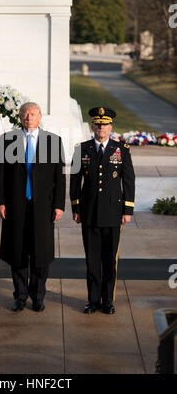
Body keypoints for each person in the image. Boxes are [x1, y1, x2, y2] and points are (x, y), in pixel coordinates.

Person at [0, 102, 66, 312]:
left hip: (42, 208)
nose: (28, 117)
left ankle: (38, 296)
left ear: (40, 116)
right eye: (25, 114)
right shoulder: (7, 140)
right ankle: (20, 295)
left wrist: (59, 205)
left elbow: (59, 177)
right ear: (19, 116)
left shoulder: (53, 141)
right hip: (15, 206)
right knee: (17, 252)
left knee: (40, 254)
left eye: (32, 114)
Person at [70, 107, 135, 315]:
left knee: (109, 259)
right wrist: (76, 208)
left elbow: (129, 181)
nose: (101, 128)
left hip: (113, 212)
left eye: (105, 124)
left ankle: (107, 300)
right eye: (98, 124)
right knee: (91, 259)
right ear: (92, 127)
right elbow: (74, 181)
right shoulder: (82, 149)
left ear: (110, 127)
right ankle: (92, 300)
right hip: (89, 212)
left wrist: (128, 210)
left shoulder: (121, 149)